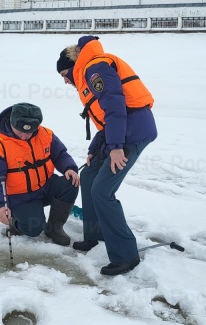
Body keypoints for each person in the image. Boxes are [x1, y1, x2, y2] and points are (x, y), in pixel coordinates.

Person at [57, 36, 157, 276]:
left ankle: (126, 256)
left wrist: (115, 148)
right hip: (119, 133)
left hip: (132, 135)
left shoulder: (95, 68)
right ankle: (95, 234)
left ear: (72, 66)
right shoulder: (91, 69)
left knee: (103, 191)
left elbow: (115, 108)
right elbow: (105, 120)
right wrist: (95, 150)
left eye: (64, 75)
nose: (65, 81)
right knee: (90, 176)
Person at [0, 103, 81, 246]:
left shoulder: (46, 134)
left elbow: (60, 154)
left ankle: (54, 228)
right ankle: (15, 223)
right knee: (34, 229)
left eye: (29, 132)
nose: (24, 136)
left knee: (70, 182)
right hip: (20, 197)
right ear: (11, 122)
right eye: (19, 131)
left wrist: (68, 168)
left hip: (45, 186)